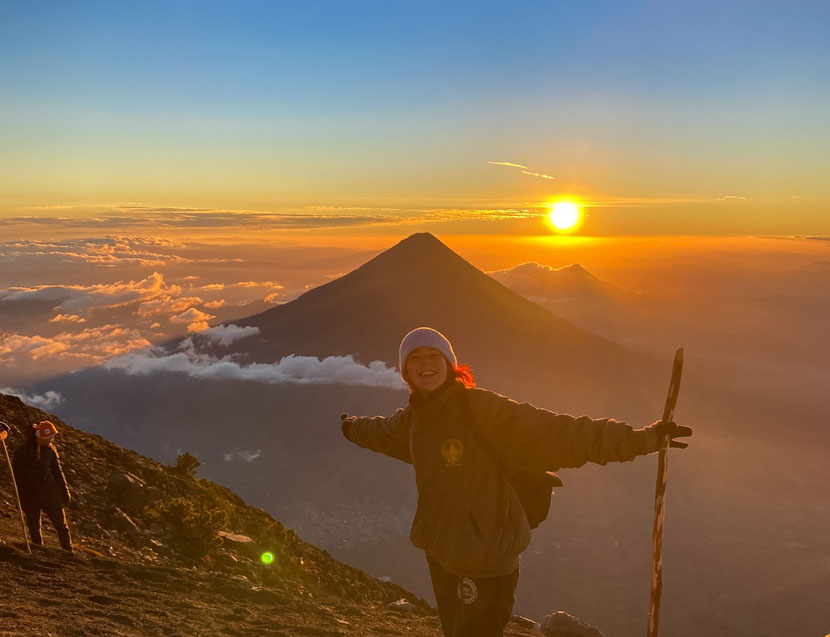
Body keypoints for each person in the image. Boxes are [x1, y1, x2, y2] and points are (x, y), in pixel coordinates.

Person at [340, 327, 692, 637]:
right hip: (442, 552)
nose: (426, 363)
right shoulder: (414, 422)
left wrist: (641, 440)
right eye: (415, 358)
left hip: (487, 559)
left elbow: (561, 433)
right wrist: (350, 427)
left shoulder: (482, 410)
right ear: (405, 372)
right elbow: (379, 432)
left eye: (435, 355)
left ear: (451, 364)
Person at [12, 420, 73, 552]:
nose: (52, 439)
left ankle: (68, 551)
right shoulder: (23, 452)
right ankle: (39, 551)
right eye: (50, 437)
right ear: (40, 436)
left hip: (49, 493)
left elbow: (58, 472)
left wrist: (65, 490)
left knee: (61, 524)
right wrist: (20, 495)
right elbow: (17, 476)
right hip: (31, 494)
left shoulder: (50, 451)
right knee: (34, 525)